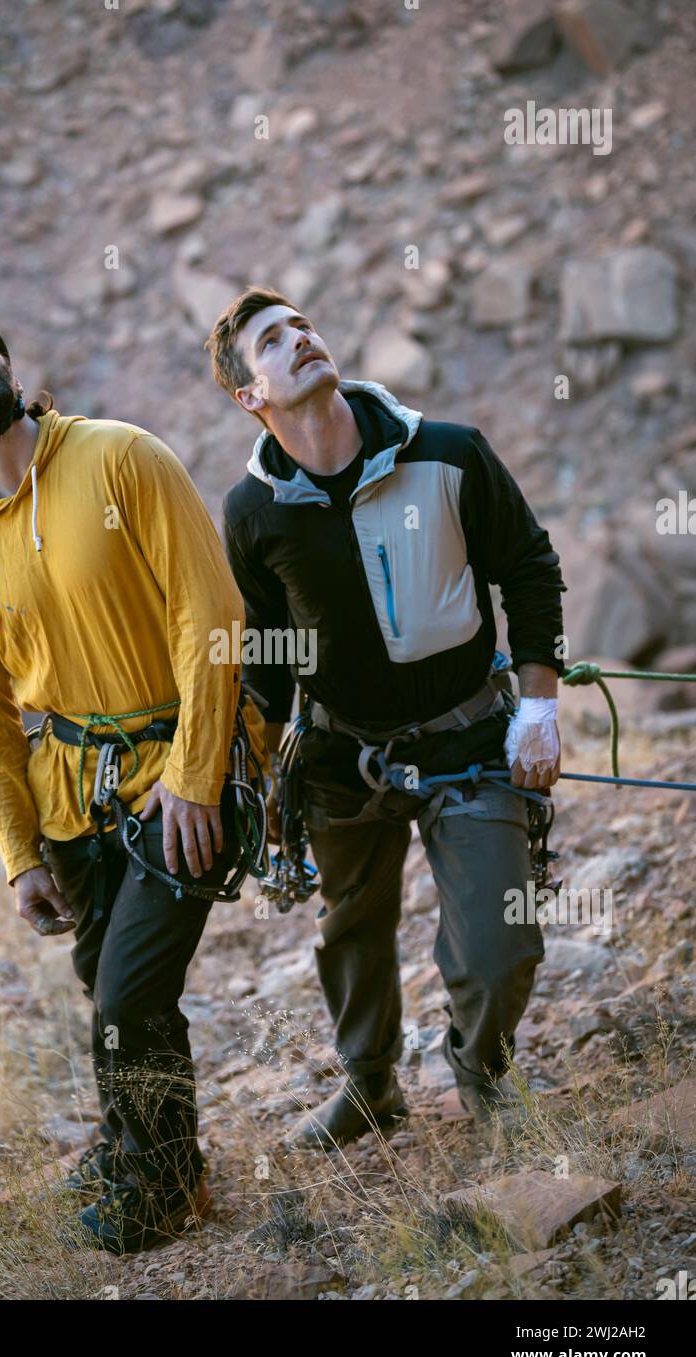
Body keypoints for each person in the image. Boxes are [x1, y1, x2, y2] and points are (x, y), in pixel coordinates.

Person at [0, 309, 268, 1250]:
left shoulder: (118, 455)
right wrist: (21, 855)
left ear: (7, 369)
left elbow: (212, 612)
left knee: (130, 990)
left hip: (181, 771)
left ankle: (163, 1184)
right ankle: (129, 1140)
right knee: (108, 979)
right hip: (70, 799)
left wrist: (197, 774)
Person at [205, 287, 567, 1146]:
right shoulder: (252, 512)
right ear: (249, 396)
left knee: (500, 947)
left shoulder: (448, 452)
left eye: (302, 325)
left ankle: (481, 1073)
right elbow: (266, 648)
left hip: (472, 738)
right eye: (271, 340)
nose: (300, 338)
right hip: (340, 761)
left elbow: (527, 565)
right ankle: (371, 1086)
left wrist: (540, 705)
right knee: (350, 934)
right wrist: (259, 765)